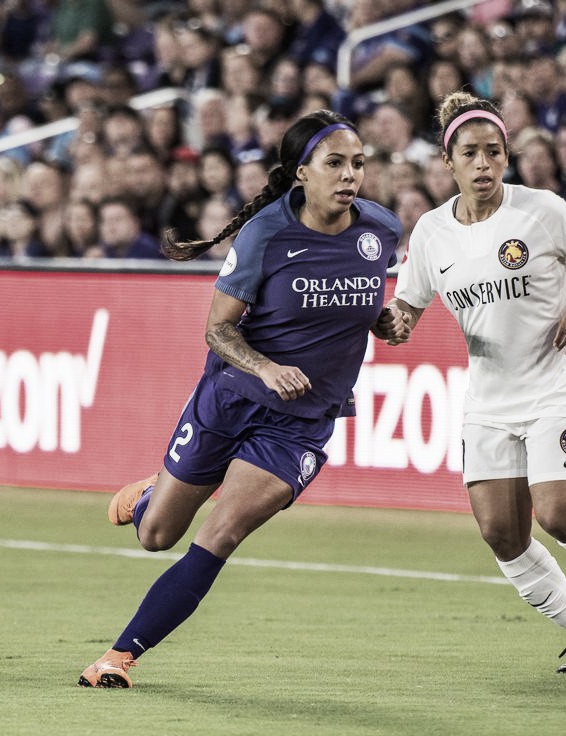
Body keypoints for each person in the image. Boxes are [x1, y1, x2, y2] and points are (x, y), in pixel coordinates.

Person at [78, 110, 406, 688]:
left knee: (221, 534)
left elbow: (364, 304)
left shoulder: (380, 229)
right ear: (302, 172)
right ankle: (155, 495)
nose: (350, 174)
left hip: (302, 422)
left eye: (358, 163)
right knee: (156, 535)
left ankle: (118, 657)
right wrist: (268, 367)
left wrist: (386, 320)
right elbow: (218, 329)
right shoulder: (268, 234)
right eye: (335, 163)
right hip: (232, 397)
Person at [384, 91, 566, 674]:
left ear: (507, 156)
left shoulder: (540, 209)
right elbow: (406, 311)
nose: (484, 163)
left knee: (560, 516)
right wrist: (381, 320)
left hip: (556, 385)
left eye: (494, 151)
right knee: (500, 533)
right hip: (489, 397)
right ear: (449, 161)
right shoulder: (433, 232)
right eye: (471, 154)